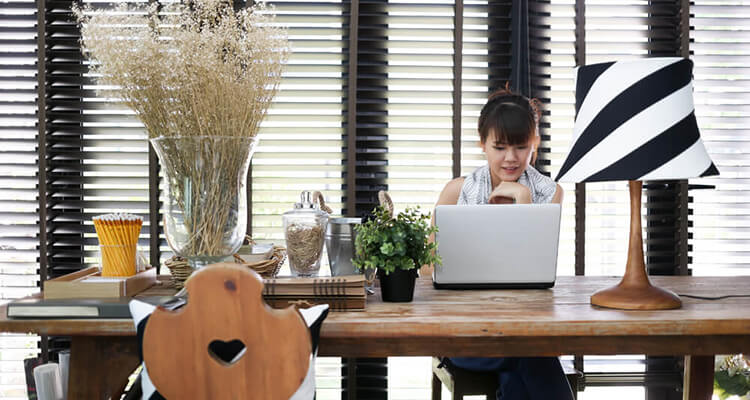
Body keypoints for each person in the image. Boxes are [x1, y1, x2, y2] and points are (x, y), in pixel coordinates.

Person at [433, 85, 572, 400]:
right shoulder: (457, 192)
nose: (511, 158)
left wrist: (524, 200)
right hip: (465, 333)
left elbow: (538, 272)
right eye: (500, 147)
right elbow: (429, 271)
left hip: (525, 326)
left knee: (522, 360)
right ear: (482, 144)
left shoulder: (549, 193)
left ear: (534, 144)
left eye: (521, 147)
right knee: (532, 355)